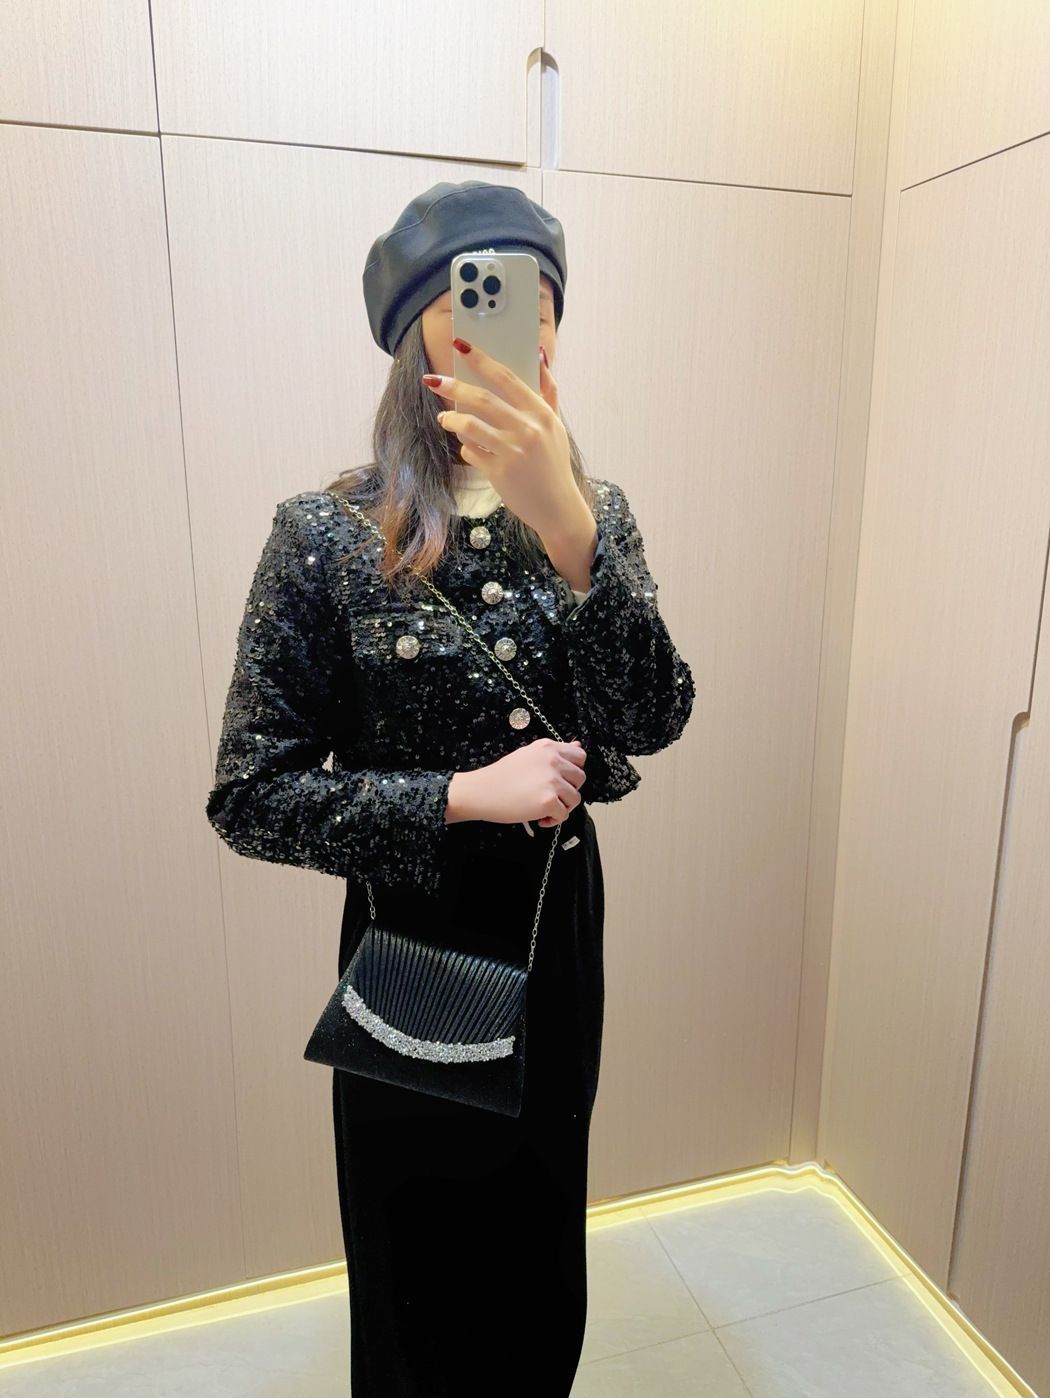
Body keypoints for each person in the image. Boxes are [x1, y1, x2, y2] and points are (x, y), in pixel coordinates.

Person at [205, 180, 695, 1397]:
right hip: (410, 934)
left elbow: (654, 719)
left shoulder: (596, 518)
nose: (512, 337)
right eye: (473, 305)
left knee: (539, 1244)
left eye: (537, 312)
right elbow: (252, 794)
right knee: (414, 1258)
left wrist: (572, 534)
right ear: (416, 338)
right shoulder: (326, 537)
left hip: (553, 926)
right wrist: (460, 796)